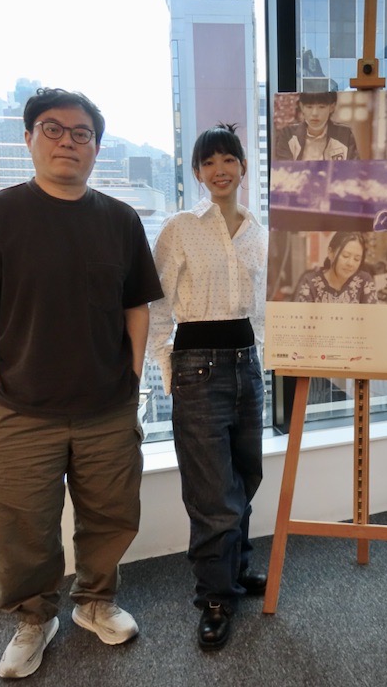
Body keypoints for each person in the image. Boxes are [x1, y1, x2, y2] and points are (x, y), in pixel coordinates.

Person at [0, 87, 163, 679]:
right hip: (19, 410)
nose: (68, 141)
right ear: (28, 138)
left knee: (111, 515)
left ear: (96, 147)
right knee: (20, 525)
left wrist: (132, 377)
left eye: (81, 133)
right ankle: (33, 619)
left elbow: (136, 307)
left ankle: (95, 602)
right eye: (53, 129)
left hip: (107, 407)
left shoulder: (120, 221)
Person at [148, 123, 268, 652]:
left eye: (228, 159)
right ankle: (215, 598)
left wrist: (265, 360)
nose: (220, 170)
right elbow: (156, 306)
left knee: (245, 476)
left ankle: (235, 571)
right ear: (197, 172)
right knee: (211, 491)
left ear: (242, 166)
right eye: (209, 162)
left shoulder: (258, 230)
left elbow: (261, 310)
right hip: (196, 366)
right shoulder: (179, 227)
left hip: (246, 363)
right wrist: (167, 368)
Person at [293, 231, 378, 303]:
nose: (350, 263)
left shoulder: (364, 281)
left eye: (357, 259)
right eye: (345, 256)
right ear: (330, 253)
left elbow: (372, 316)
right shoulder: (310, 282)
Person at [274, 91, 359, 161]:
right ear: (302, 107)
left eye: (321, 107)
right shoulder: (287, 135)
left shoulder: (346, 135)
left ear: (332, 107)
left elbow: (353, 171)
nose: (314, 113)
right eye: (309, 107)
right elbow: (283, 171)